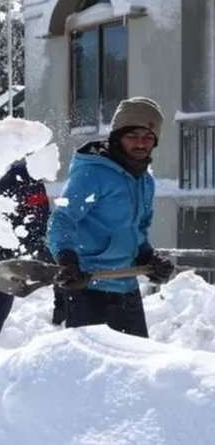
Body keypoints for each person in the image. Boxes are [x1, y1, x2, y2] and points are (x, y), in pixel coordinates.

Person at [48, 97, 175, 338]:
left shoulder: (144, 180)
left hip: (127, 289)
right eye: (133, 136)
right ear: (117, 136)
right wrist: (67, 261)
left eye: (148, 137)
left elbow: (136, 230)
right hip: (89, 289)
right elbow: (63, 219)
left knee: (138, 371)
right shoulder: (92, 174)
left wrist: (149, 258)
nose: (141, 143)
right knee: (92, 373)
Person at [0, 160, 60, 358]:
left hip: (29, 244)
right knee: (1, 299)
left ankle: (60, 319)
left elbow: (41, 216)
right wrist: (35, 244)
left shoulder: (34, 180)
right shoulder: (13, 180)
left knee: (63, 274)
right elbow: (13, 219)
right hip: (9, 247)